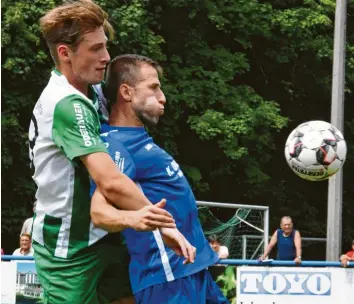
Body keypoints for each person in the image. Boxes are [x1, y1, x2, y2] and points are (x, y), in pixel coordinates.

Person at [28, 1, 193, 303]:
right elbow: (111, 181)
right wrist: (165, 226)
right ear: (65, 53)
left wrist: (151, 95)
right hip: (70, 248)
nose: (106, 57)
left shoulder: (92, 91)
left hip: (106, 235)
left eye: (105, 47)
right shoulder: (68, 105)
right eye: (95, 49)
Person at [90, 54, 229, 304]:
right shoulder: (116, 145)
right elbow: (99, 212)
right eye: (154, 88)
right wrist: (133, 218)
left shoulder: (137, 141)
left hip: (193, 270)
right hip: (167, 276)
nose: (162, 97)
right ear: (126, 92)